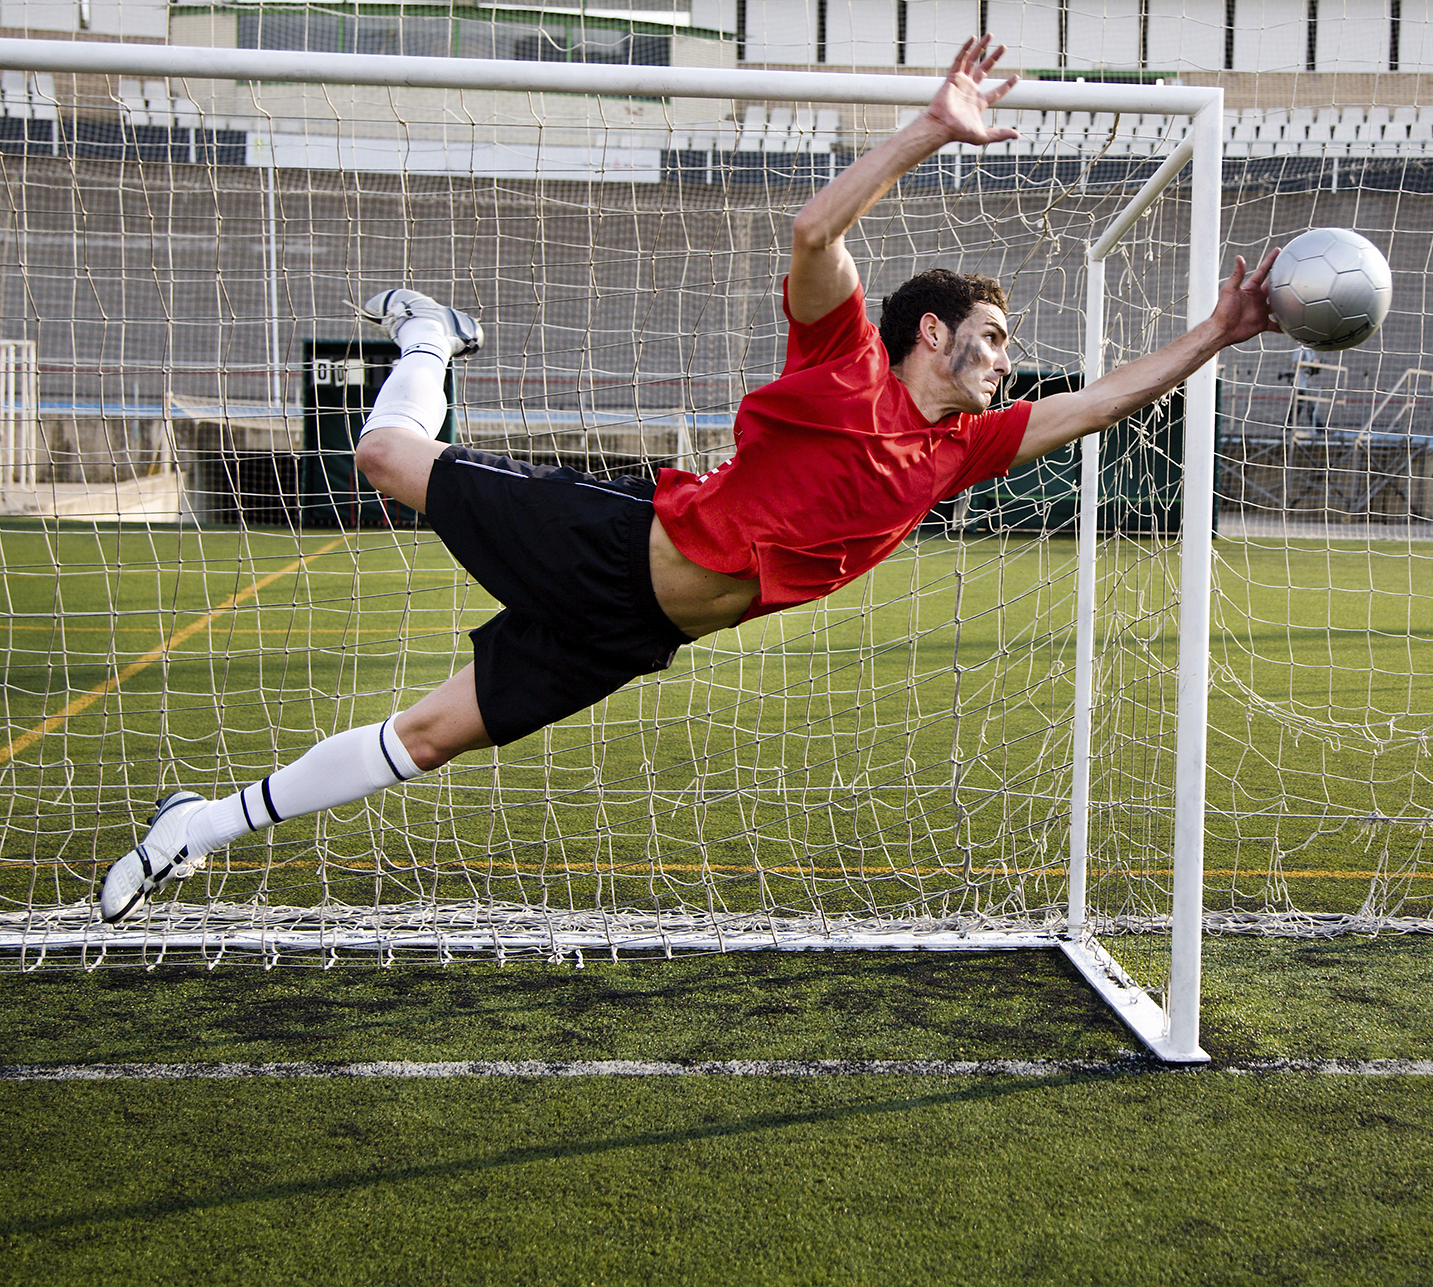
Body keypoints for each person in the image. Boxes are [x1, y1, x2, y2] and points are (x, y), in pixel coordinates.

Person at [98, 34, 1283, 923]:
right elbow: (817, 235)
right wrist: (932, 128)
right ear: (930, 334)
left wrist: (1215, 336)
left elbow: (1099, 403)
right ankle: (428, 339)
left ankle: (198, 825)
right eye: (990, 335)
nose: (1006, 359)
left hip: (634, 631)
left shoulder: (958, 454)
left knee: (432, 733)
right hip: (616, 544)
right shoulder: (845, 361)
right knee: (376, 457)